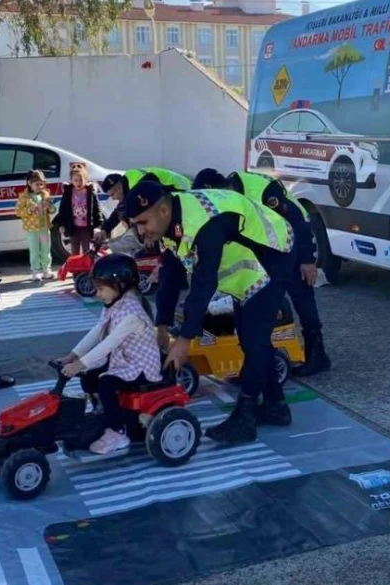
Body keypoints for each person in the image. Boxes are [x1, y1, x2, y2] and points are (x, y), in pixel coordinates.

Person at [126, 180, 294, 444]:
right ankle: (276, 407)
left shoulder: (206, 224)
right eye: (135, 224)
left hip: (274, 255)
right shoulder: (173, 222)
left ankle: (245, 419)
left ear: (162, 211)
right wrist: (162, 325)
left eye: (142, 223)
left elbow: (203, 284)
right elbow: (171, 272)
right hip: (248, 266)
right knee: (252, 339)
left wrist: (184, 340)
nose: (140, 231)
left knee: (254, 340)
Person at [225, 170, 332, 376]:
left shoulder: (263, 191)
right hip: (270, 248)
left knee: (302, 299)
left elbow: (297, 221)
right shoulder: (230, 194)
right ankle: (258, 359)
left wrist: (307, 259)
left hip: (293, 242)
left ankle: (317, 355)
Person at [56, 253, 163, 455]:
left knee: (106, 382)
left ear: (120, 284)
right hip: (123, 360)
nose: (98, 294)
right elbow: (97, 331)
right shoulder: (114, 304)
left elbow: (108, 344)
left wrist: (79, 364)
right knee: (89, 375)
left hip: (140, 365)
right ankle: (102, 411)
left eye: (101, 288)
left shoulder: (132, 312)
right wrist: (72, 357)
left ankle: (117, 431)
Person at [98, 167, 192, 237]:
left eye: (112, 195)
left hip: (184, 192)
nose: (113, 199)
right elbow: (120, 210)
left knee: (176, 230)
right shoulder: (129, 182)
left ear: (118, 189)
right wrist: (105, 229)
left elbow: (155, 211)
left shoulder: (141, 185)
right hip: (177, 195)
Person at [14, 170, 55, 282]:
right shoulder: (24, 197)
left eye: (42, 184)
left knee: (46, 249)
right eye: (37, 184)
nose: (40, 186)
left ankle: (46, 269)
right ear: (29, 183)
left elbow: (52, 210)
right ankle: (36, 271)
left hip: (44, 227)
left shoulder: (45, 195)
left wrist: (49, 206)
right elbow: (18, 211)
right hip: (32, 229)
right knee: (34, 250)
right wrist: (29, 209)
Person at [54, 163, 103, 256]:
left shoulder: (90, 192)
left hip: (86, 227)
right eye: (76, 180)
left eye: (81, 180)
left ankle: (87, 268)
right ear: (71, 180)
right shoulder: (68, 192)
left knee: (87, 250)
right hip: (73, 227)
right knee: (74, 249)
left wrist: (98, 225)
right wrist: (61, 224)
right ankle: (76, 269)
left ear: (86, 180)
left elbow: (97, 209)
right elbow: (63, 209)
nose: (79, 183)